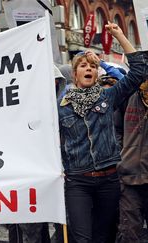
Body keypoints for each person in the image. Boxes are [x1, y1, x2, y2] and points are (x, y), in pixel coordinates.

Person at [58, 21, 147, 243]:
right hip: (78, 181)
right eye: (83, 66)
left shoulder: (108, 97)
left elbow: (138, 71)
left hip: (108, 180)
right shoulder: (61, 107)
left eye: (91, 66)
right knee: (82, 238)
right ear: (75, 74)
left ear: (96, 73)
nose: (88, 68)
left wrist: (119, 35)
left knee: (104, 236)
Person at [116, 79, 148, 242]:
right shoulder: (128, 94)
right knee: (129, 233)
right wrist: (122, 154)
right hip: (129, 178)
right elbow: (115, 128)